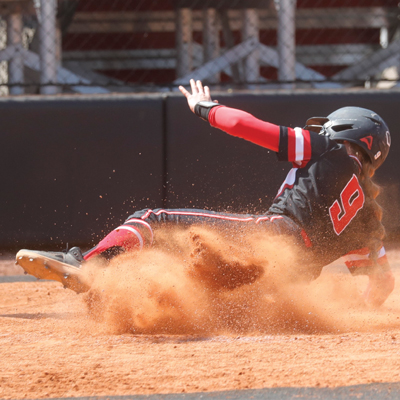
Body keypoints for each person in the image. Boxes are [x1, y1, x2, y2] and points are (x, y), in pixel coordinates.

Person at [16, 79, 394, 306]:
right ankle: (127, 299)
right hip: (287, 278)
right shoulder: (368, 215)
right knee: (202, 275)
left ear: (347, 130)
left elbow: (252, 127)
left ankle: (88, 265)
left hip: (274, 235)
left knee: (154, 221)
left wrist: (206, 109)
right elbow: (382, 284)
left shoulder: (327, 149)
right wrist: (360, 314)